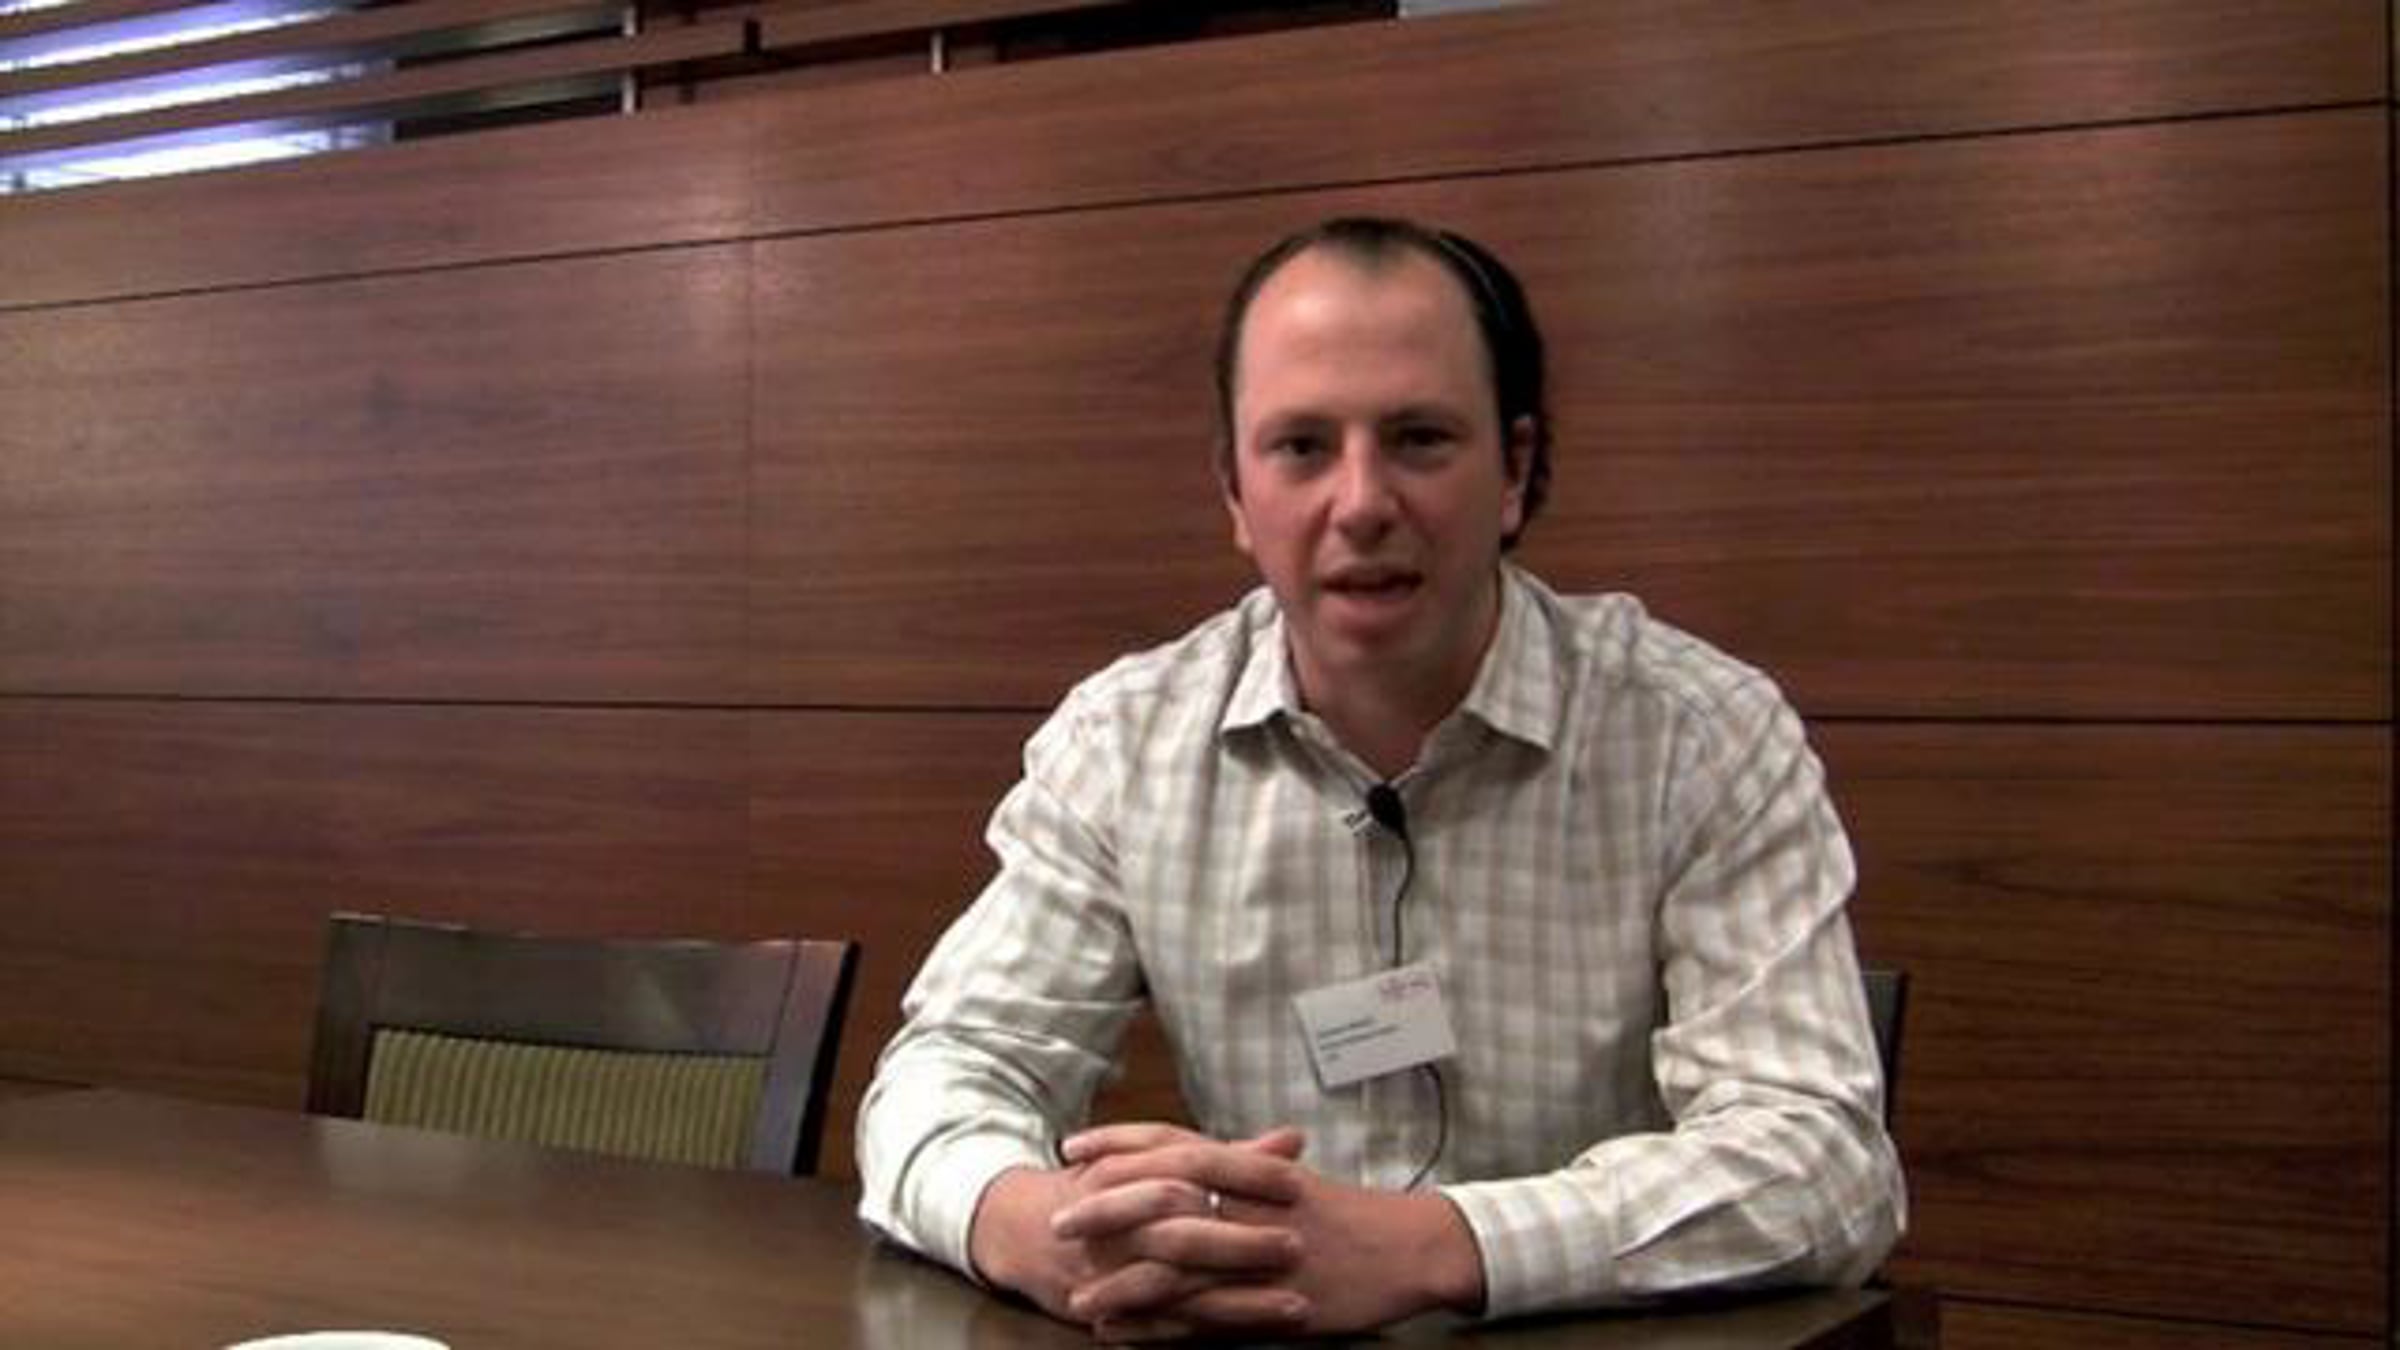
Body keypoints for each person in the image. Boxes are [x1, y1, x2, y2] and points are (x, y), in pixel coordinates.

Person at [856, 216, 1905, 1340]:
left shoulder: (1700, 737)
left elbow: (1825, 1164)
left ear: (1515, 471)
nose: (1360, 503)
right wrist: (1042, 1227)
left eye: (1419, 439)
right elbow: (949, 1067)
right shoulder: (1125, 744)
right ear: (1235, 493)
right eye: (1302, 447)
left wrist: (1432, 1248)